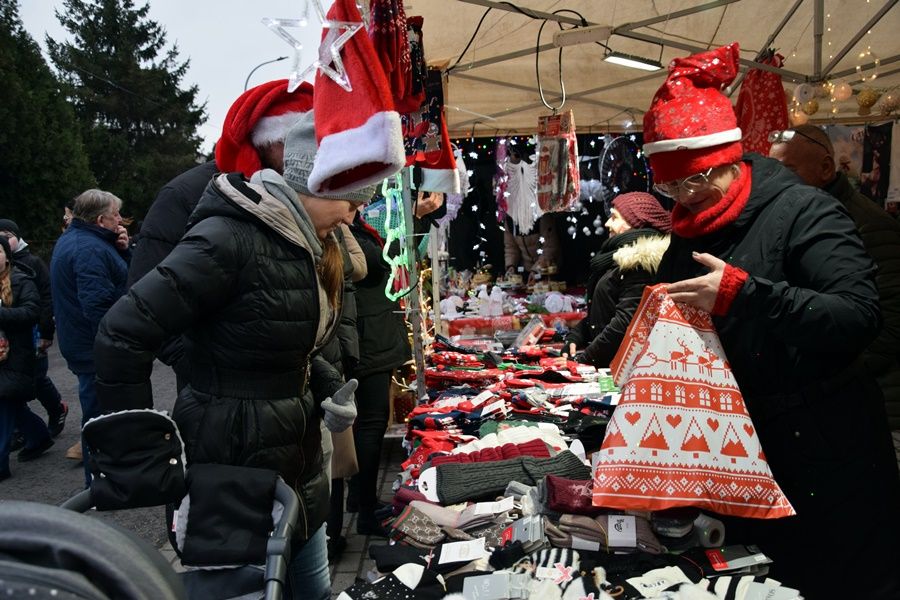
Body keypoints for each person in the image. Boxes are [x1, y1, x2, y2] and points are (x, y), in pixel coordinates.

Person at [643, 43, 900, 598]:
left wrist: (744, 294)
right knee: (760, 584)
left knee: (843, 582)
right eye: (671, 185)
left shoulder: (804, 212)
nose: (686, 196)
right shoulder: (690, 228)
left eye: (697, 178)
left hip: (829, 454)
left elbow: (859, 316)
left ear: (732, 158)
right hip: (741, 451)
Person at [93, 110, 372, 600]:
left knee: (311, 589)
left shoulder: (306, 243)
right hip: (235, 465)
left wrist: (326, 383)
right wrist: (137, 451)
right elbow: (123, 330)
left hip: (297, 463)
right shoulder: (229, 238)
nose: (353, 215)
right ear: (318, 184)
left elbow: (279, 339)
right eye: (350, 201)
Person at [127, 80, 314, 391]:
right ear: (264, 141)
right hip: (218, 399)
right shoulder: (184, 194)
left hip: (291, 388)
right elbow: (140, 304)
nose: (302, 157)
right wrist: (200, 363)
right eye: (290, 143)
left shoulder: (298, 192)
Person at [768, 125, 900, 432]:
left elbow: (891, 320)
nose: (775, 181)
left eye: (787, 170)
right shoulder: (792, 218)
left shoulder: (868, 224)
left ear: (826, 168)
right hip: (822, 400)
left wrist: (826, 375)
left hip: (871, 403)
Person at [49, 189, 130, 486]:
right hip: (94, 348)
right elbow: (98, 305)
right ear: (100, 220)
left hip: (84, 344)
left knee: (102, 413)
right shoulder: (89, 249)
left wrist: (123, 250)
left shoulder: (83, 240)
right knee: (99, 417)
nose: (121, 219)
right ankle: (99, 484)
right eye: (115, 214)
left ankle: (106, 479)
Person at [564, 192, 671, 366]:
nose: (607, 223)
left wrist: (584, 360)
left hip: (625, 367)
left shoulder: (639, 263)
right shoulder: (617, 259)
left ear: (636, 224)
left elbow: (625, 325)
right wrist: (576, 335)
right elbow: (604, 313)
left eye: (614, 217)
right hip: (609, 362)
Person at [0, 220, 68, 441]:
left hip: (31, 334)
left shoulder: (31, 265)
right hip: (7, 343)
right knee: (13, 389)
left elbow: (45, 299)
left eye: (8, 235)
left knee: (35, 379)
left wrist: (46, 331)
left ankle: (56, 409)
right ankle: (27, 432)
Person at [0, 235, 54, 481]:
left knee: (4, 403)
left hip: (16, 355)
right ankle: (39, 434)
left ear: (6, 256)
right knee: (12, 405)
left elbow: (32, 312)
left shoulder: (21, 280)